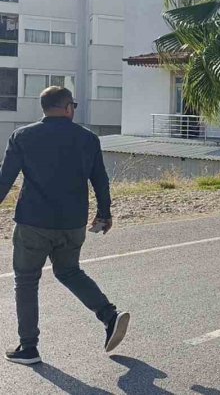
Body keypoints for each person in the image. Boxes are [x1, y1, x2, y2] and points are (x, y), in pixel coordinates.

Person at [0, 87, 130, 365]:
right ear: (68, 107)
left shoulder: (22, 136)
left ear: (44, 108)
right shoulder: (87, 138)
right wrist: (104, 214)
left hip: (33, 223)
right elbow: (100, 180)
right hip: (72, 223)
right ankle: (109, 316)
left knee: (26, 281)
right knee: (69, 271)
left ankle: (28, 347)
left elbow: (5, 179)